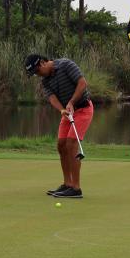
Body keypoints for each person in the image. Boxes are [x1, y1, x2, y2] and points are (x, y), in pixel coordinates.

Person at [25, 53, 93, 198]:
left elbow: (82, 83)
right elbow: (52, 97)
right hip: (67, 112)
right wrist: (62, 109)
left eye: (37, 71)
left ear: (43, 63)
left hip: (83, 108)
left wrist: (71, 102)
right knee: (61, 145)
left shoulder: (66, 64)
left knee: (71, 143)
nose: (37, 75)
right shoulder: (45, 81)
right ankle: (67, 184)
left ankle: (76, 188)